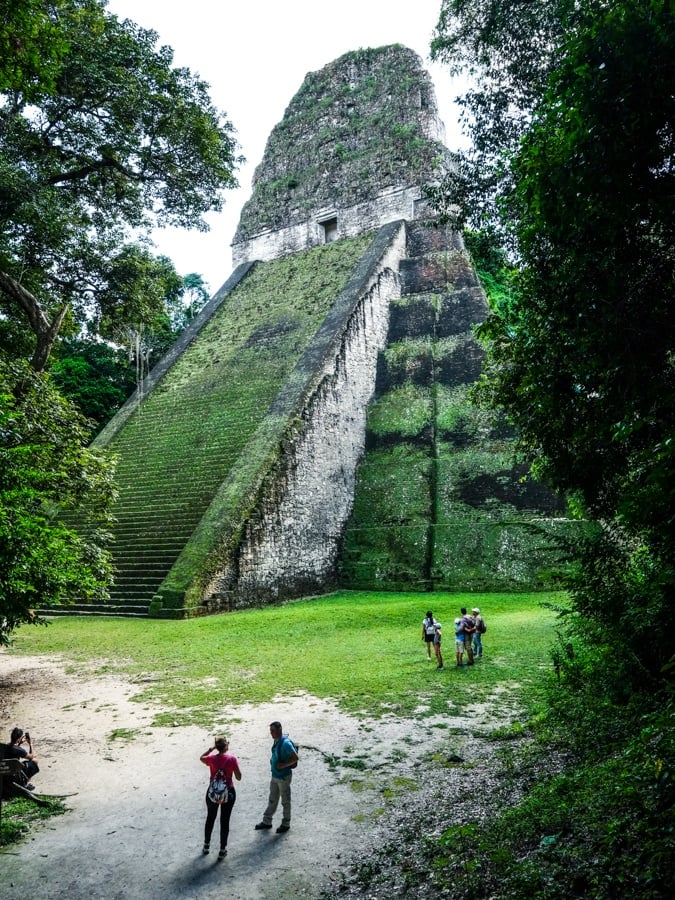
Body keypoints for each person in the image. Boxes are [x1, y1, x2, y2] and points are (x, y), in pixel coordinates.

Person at [200, 735, 242, 860]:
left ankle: (206, 845)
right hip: (228, 792)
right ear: (226, 746)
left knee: (210, 818)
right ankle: (222, 850)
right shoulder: (232, 759)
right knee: (225, 821)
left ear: (217, 747)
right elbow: (239, 777)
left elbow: (201, 758)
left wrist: (211, 749)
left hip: (213, 792)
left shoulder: (211, 759)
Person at [255, 721, 298, 834]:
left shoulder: (286, 744)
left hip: (283, 777)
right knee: (272, 799)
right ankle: (267, 821)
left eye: (273, 731)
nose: (271, 733)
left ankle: (286, 823)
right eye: (270, 731)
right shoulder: (277, 740)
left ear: (280, 729)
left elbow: (295, 758)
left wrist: (283, 765)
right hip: (275, 776)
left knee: (285, 800)